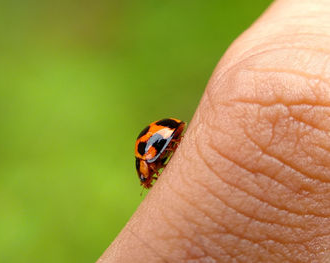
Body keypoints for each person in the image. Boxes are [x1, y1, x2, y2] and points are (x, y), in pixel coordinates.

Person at [98, 0, 330, 261]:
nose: (148, 180)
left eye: (146, 178)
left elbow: (163, 148)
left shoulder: (149, 156)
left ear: (145, 167)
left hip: (170, 129)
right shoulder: (149, 157)